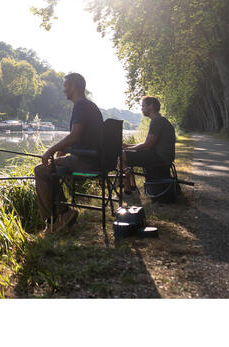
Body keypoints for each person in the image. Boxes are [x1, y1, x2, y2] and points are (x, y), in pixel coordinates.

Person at [35, 72, 104, 233]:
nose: (63, 90)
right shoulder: (89, 105)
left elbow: (75, 135)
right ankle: (63, 214)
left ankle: (54, 221)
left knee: (41, 170)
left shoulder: (80, 106)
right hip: (95, 158)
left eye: (65, 85)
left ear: (73, 86)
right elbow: (85, 138)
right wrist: (63, 149)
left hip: (87, 161)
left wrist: (50, 150)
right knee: (51, 168)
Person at [121, 96, 176, 193]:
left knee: (122, 155)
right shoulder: (159, 120)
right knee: (126, 152)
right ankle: (132, 186)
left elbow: (147, 145)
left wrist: (128, 149)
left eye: (143, 106)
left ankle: (127, 189)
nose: (141, 108)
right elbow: (148, 143)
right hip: (163, 156)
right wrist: (128, 146)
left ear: (151, 106)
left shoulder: (157, 121)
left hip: (160, 158)